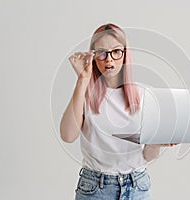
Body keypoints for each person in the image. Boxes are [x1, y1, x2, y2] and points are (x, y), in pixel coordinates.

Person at [60, 23, 177, 200]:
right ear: (93, 56)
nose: (109, 60)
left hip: (137, 186)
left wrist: (156, 143)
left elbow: (148, 156)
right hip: (95, 188)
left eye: (116, 51)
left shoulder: (144, 95)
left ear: (125, 54)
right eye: (101, 53)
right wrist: (82, 79)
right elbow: (68, 136)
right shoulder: (84, 94)